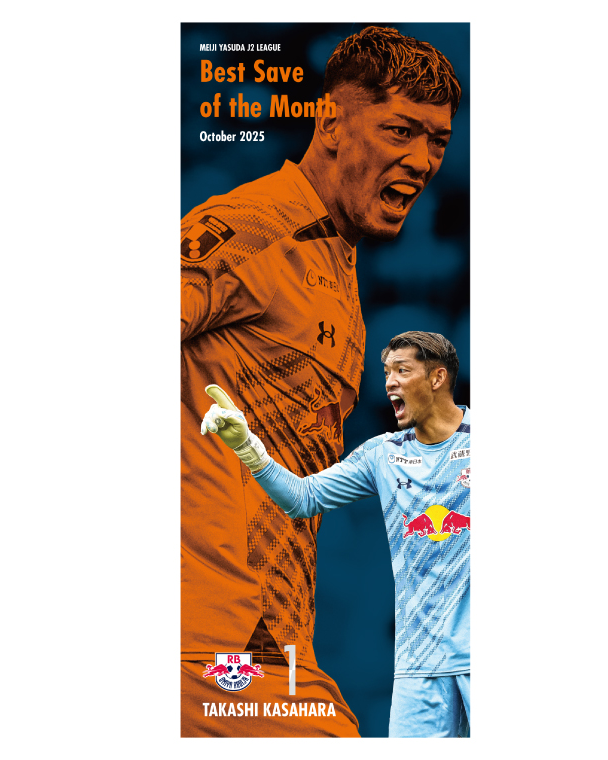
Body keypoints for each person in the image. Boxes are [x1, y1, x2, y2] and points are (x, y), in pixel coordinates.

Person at [180, 27, 462, 737]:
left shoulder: (333, 258)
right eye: (401, 130)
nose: (423, 159)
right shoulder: (250, 229)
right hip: (210, 643)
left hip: (267, 648)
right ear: (331, 122)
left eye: (438, 140)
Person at [200, 331, 471, 738]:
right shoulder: (383, 453)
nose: (389, 383)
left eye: (402, 371)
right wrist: (248, 449)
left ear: (437, 378)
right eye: (386, 373)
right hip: (419, 664)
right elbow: (303, 497)